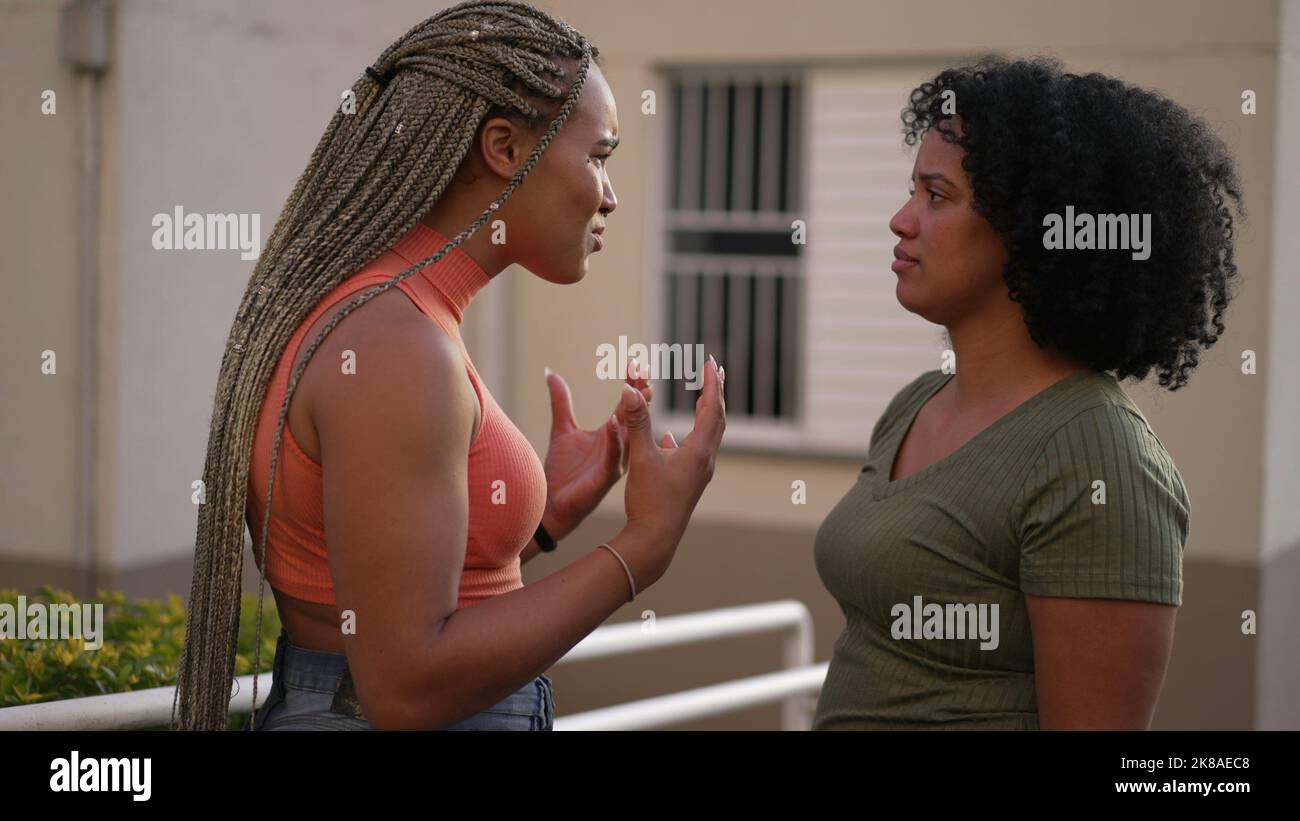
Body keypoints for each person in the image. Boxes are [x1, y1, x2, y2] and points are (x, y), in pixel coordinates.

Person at [173, 0, 726, 731]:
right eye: (598, 156)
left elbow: (383, 572)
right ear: (502, 146)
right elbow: (406, 687)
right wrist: (642, 548)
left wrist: (548, 513)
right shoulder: (394, 348)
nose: (610, 196)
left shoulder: (387, 316)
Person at [812, 56, 1242, 730]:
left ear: (1031, 229)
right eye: (911, 191)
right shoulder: (916, 404)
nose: (902, 220)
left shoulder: (1098, 457)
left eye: (936, 195)